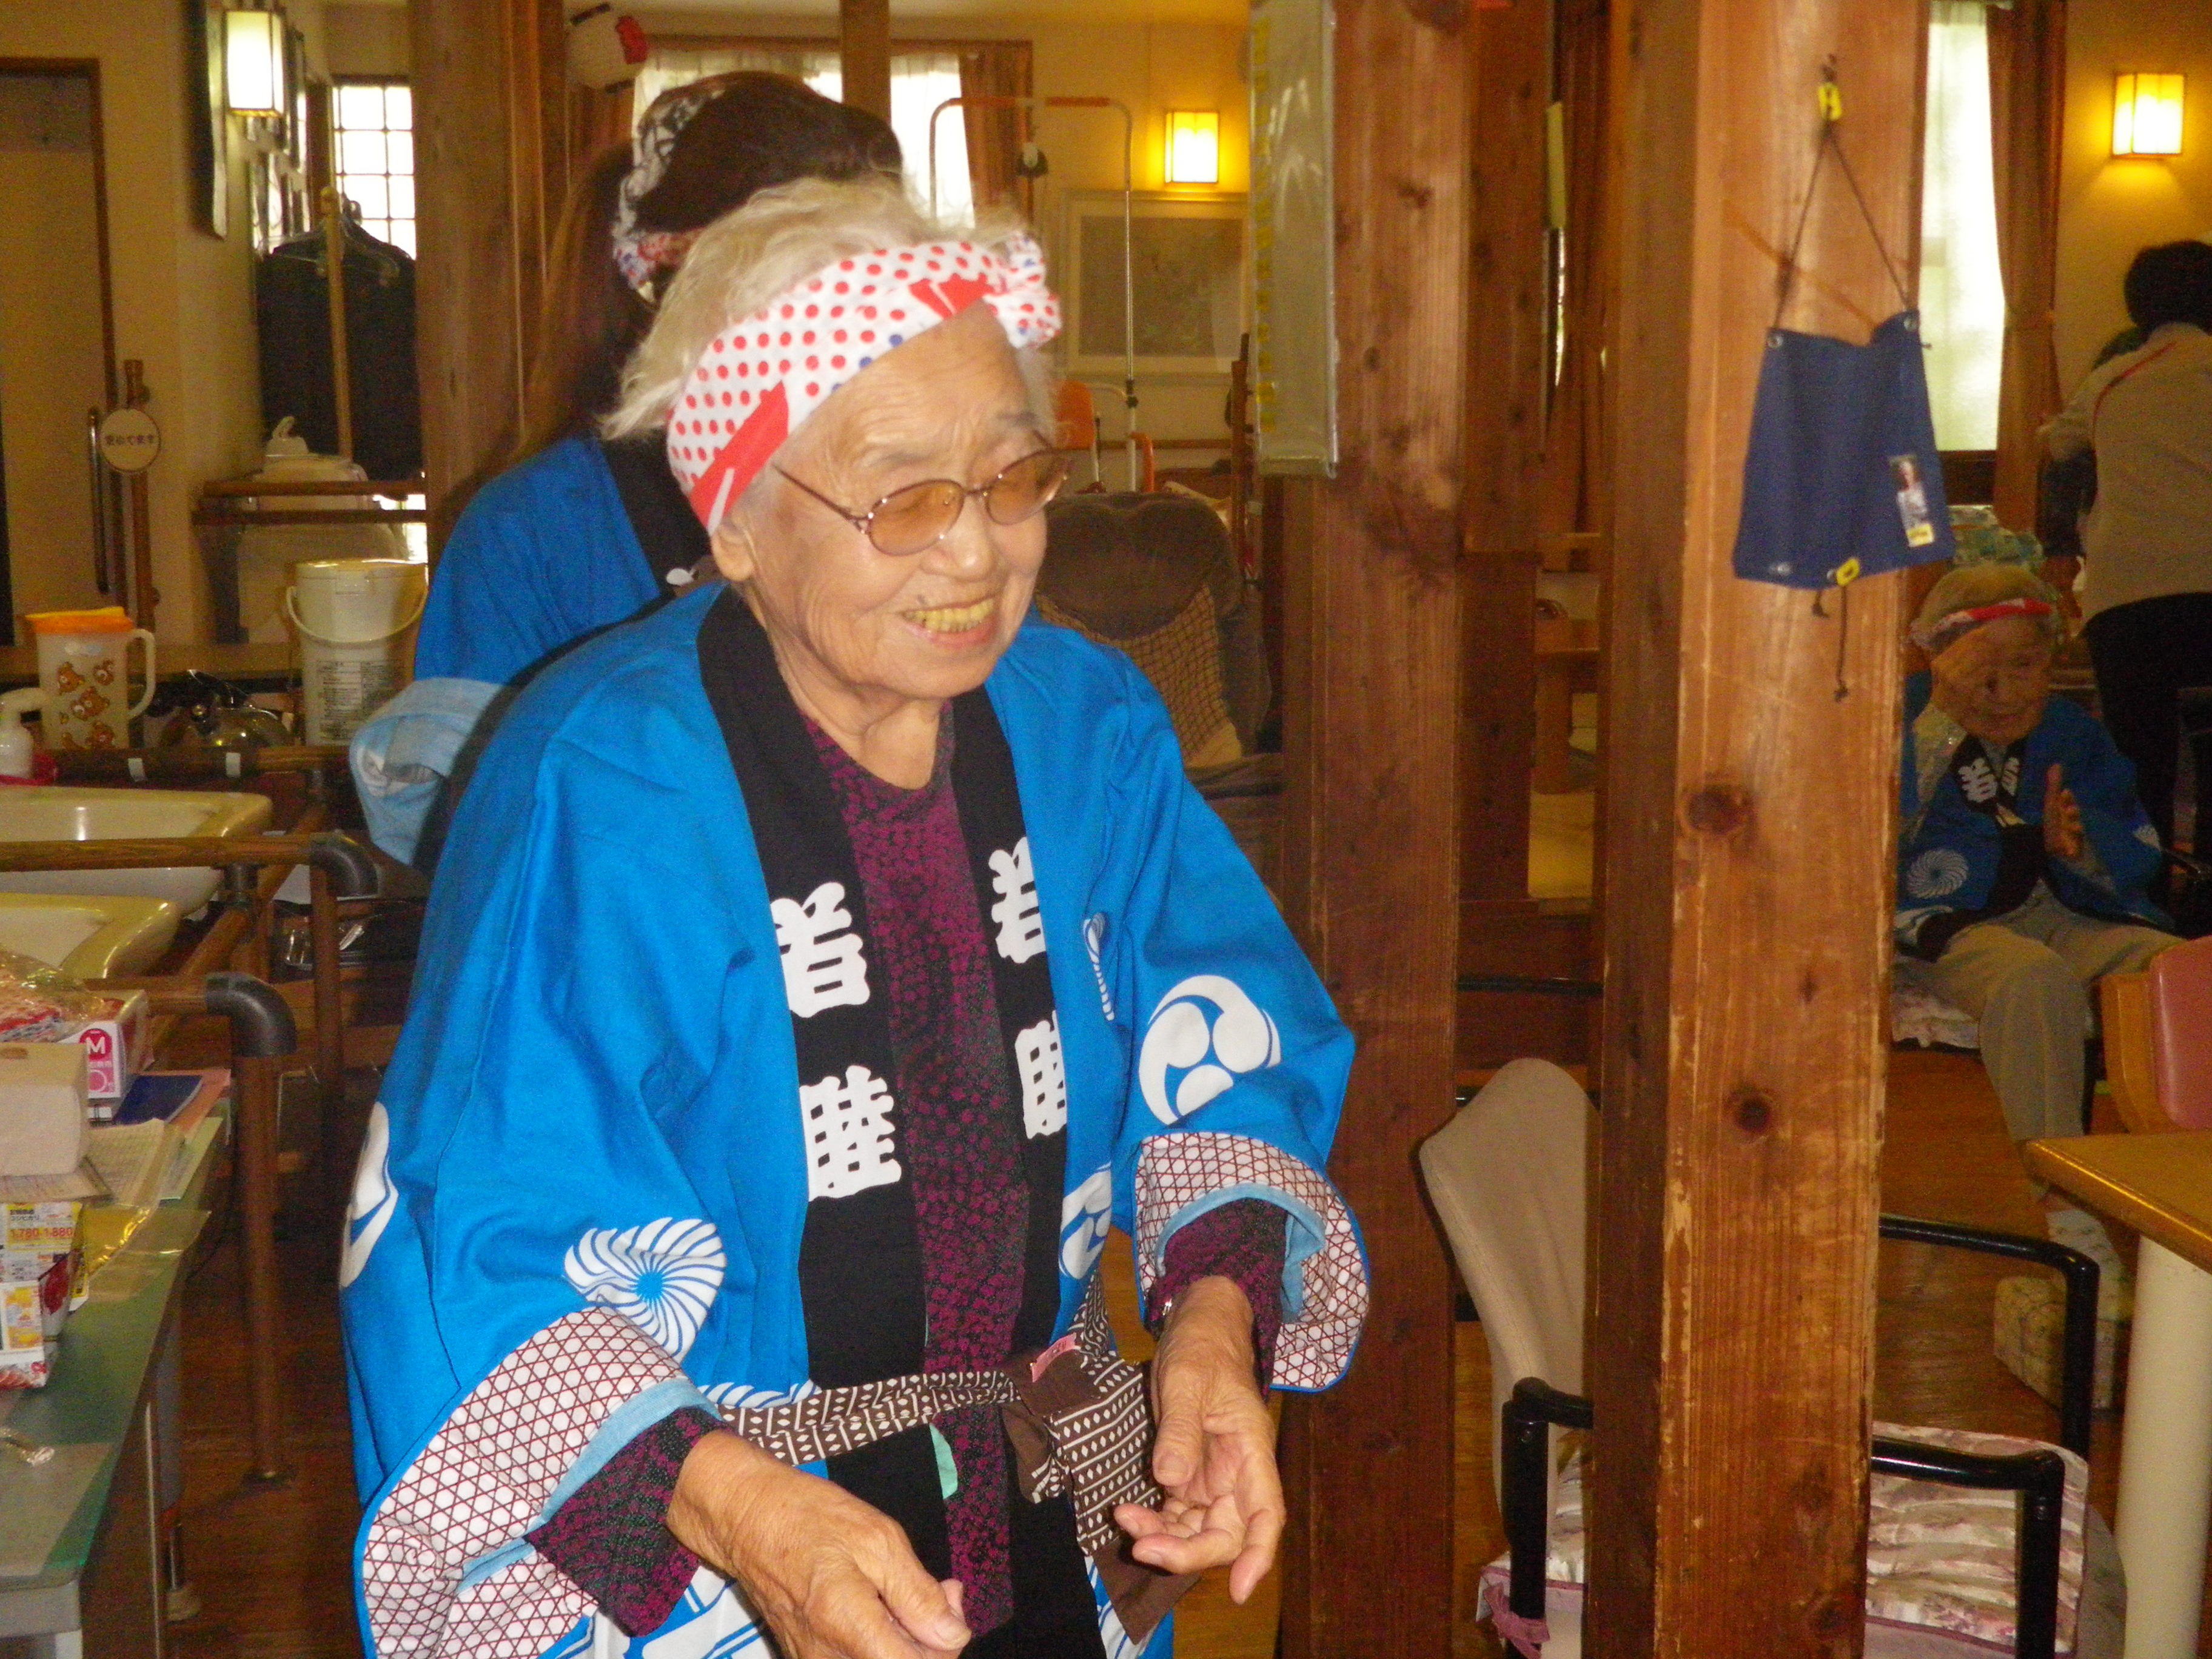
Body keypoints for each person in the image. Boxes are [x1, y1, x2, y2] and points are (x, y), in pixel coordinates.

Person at [340, 175, 1367, 1659]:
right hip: (723, 1555)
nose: (977, 552)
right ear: (737, 520)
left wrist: (1213, 1324)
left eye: (1012, 478)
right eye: (903, 498)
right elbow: (482, 1225)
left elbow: (1228, 1031)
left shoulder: (1087, 728)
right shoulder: (601, 785)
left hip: (1047, 1500)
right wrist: (747, 1511)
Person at [350, 73, 902, 865]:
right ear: (687, 285)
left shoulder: (924, 495)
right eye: (821, 279)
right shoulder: (531, 531)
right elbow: (476, 840)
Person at [1895, 563, 2179, 1276]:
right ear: (1937, 660)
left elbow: (2132, 840)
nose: (2005, 689)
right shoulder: (1900, 715)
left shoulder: (2071, 731)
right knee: (2032, 979)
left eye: (2025, 665)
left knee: (2180, 973)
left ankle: (2185, 1174)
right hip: (1944, 920)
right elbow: (1855, 834)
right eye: (1979, 670)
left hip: (2062, 908)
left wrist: (2080, 849)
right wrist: (1939, 725)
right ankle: (2062, 1198)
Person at [2041, 239, 2212, 862]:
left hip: (2127, 595)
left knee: (2141, 763)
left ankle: (2149, 893)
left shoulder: (2113, 377)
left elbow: (2057, 446)